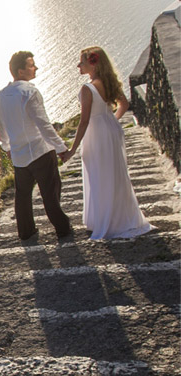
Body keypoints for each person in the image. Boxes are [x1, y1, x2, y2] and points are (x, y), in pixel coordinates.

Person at [64, 46, 155, 239]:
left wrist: (72, 149)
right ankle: (118, 217)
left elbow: (84, 121)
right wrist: (112, 119)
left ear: (92, 63)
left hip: (96, 134)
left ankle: (104, 220)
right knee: (114, 174)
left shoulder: (88, 88)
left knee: (99, 174)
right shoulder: (108, 82)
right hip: (111, 130)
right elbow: (125, 104)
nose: (78, 65)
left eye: (82, 61)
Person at [0, 51, 72, 241]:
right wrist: (61, 147)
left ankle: (26, 231)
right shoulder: (30, 92)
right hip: (40, 151)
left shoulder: (1, 96)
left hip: (19, 155)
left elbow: (0, 125)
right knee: (50, 192)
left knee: (22, 196)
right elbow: (43, 124)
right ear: (21, 71)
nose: (35, 67)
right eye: (31, 65)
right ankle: (62, 228)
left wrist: (6, 147)